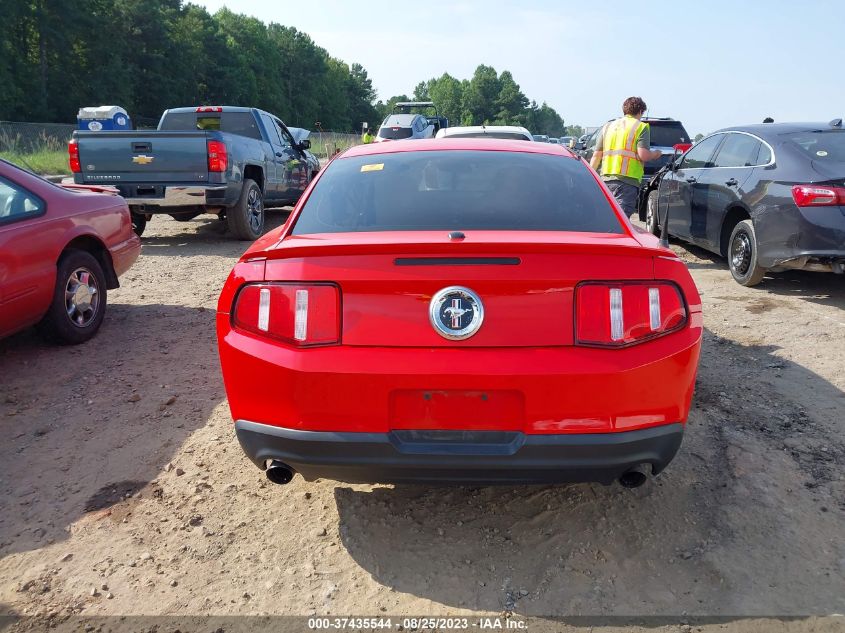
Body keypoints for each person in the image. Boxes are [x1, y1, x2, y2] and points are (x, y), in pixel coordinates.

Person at [589, 97, 662, 218]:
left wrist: (591, 177)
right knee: (620, 221)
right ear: (640, 111)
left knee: (606, 217)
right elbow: (643, 155)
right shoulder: (641, 127)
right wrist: (656, 154)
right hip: (627, 181)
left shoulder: (608, 126)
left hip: (606, 179)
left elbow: (596, 155)